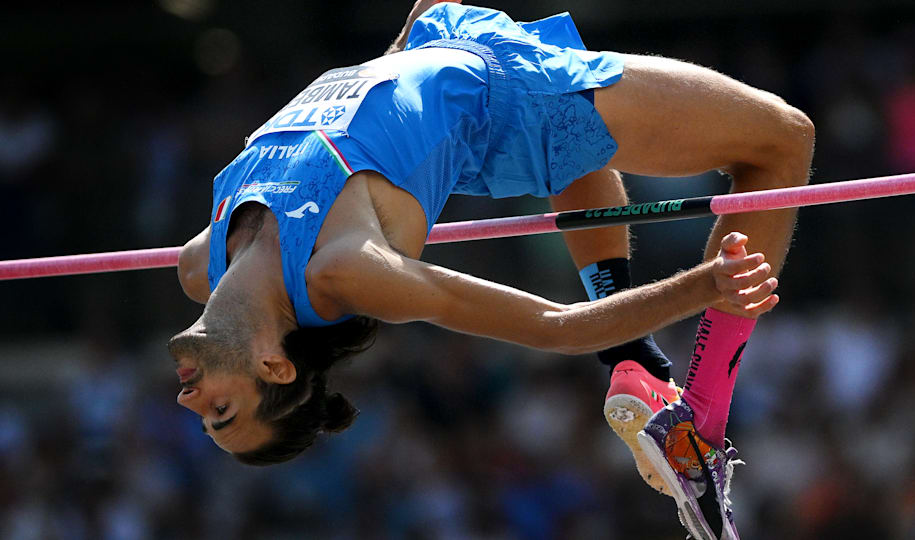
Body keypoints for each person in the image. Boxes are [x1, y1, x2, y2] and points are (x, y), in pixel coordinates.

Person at [169, 1, 814, 538]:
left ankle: (640, 367)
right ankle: (698, 418)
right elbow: (557, 326)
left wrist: (404, 48)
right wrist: (705, 285)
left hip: (437, 43)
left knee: (573, 154)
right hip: (508, 92)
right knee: (781, 141)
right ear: (274, 366)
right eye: (220, 411)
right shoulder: (342, 273)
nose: (188, 397)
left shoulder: (202, 263)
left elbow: (360, 109)